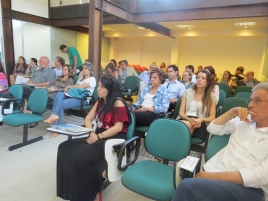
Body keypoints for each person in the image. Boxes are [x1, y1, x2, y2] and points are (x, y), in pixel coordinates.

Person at [172, 82, 268, 201]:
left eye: (257, 100)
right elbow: (212, 128)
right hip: (215, 171)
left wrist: (214, 177)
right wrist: (232, 111)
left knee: (187, 187)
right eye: (251, 100)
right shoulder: (243, 121)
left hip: (246, 187)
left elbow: (262, 176)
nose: (251, 105)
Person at [56, 74, 130, 201]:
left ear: (110, 89)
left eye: (102, 86)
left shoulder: (118, 102)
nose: (98, 89)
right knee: (64, 147)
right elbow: (88, 119)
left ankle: (89, 195)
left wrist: (98, 136)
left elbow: (118, 128)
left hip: (113, 139)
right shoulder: (101, 100)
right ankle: (69, 190)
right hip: (98, 134)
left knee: (79, 159)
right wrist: (91, 132)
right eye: (99, 85)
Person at [43, 62, 96, 137]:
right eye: (83, 68)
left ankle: (58, 127)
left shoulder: (92, 79)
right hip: (73, 95)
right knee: (59, 94)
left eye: (86, 68)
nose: (83, 70)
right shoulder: (81, 78)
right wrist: (79, 78)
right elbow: (77, 86)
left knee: (60, 104)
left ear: (90, 70)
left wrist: (69, 86)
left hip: (82, 99)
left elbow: (81, 87)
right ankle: (54, 114)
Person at [178, 70, 217, 141]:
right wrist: (189, 120)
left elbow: (212, 117)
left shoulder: (212, 97)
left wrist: (200, 120)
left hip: (200, 123)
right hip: (186, 119)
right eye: (198, 77)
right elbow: (181, 113)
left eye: (203, 78)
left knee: (177, 127)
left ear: (208, 82)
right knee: (180, 127)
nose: (199, 80)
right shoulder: (187, 92)